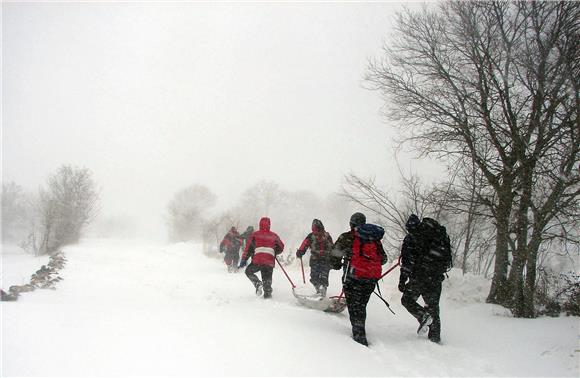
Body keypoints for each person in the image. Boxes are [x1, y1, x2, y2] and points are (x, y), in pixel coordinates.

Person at [330, 212, 388, 346]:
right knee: (361, 304)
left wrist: (338, 264)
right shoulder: (374, 239)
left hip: (353, 277)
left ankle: (358, 335)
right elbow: (383, 259)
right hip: (370, 278)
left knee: (353, 305)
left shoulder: (346, 237)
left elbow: (334, 255)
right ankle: (359, 330)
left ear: (351, 223)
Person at [399, 214, 451, 344]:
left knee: (407, 299)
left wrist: (402, 280)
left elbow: (407, 263)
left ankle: (423, 316)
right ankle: (435, 338)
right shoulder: (437, 236)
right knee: (433, 307)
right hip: (436, 277)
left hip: (419, 277)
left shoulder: (411, 238)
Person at [238, 217, 284, 299]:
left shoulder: (255, 235)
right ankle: (267, 294)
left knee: (248, 271)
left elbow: (248, 248)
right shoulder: (274, 236)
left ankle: (257, 283)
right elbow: (281, 247)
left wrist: (244, 259)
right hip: (269, 261)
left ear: (260, 224)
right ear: (269, 225)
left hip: (258, 261)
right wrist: (274, 251)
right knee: (267, 279)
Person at [296, 219, 334, 296]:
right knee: (317, 277)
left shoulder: (323, 236)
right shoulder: (316, 236)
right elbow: (305, 244)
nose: (317, 232)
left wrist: (300, 252)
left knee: (320, 276)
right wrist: (300, 251)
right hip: (319, 260)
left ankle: (321, 291)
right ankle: (320, 290)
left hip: (321, 260)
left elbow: (304, 245)